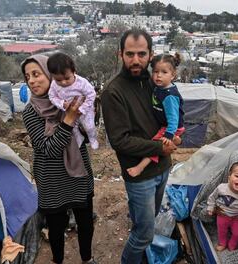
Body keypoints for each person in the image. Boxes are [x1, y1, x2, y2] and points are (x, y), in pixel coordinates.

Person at [101, 28, 177, 264]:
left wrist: (176, 134)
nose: (136, 60)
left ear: (151, 54)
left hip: (162, 166)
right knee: (144, 235)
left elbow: (171, 113)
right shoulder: (113, 91)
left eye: (142, 54)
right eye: (130, 54)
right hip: (139, 175)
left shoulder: (155, 81)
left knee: (148, 219)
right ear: (120, 54)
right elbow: (120, 141)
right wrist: (159, 148)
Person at [21, 54, 96, 264]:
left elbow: (87, 138)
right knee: (56, 226)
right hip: (52, 179)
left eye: (36, 74)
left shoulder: (72, 98)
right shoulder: (30, 112)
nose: (32, 80)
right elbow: (49, 149)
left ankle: (87, 259)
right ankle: (57, 260)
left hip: (79, 172)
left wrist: (85, 117)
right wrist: (69, 119)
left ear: (51, 74)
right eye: (28, 77)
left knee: (85, 221)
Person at [127, 53, 185, 177]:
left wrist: (169, 135)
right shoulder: (160, 88)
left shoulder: (169, 96)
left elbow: (173, 119)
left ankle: (140, 167)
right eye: (155, 71)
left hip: (171, 127)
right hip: (168, 125)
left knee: (156, 145)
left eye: (164, 72)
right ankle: (176, 139)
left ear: (173, 75)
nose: (159, 75)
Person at [47, 52, 99, 149]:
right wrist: (62, 104)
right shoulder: (54, 85)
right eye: (58, 80)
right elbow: (52, 96)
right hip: (68, 111)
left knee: (89, 126)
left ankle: (93, 138)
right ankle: (79, 138)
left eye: (67, 78)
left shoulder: (81, 82)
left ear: (74, 71)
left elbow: (91, 94)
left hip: (84, 110)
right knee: (72, 128)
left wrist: (83, 108)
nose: (63, 82)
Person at [207, 153, 238, 251]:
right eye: (237, 176)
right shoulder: (221, 188)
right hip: (222, 215)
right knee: (222, 231)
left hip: (237, 219)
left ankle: (232, 245)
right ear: (229, 177)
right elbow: (212, 197)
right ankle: (222, 243)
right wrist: (210, 207)